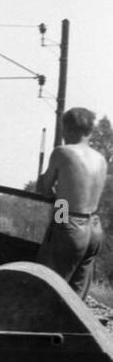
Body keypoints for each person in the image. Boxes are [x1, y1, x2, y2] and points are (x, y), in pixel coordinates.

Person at [36, 107, 107, 300]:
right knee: (76, 297)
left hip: (69, 221)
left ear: (67, 129)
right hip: (94, 226)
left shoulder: (62, 152)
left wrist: (44, 181)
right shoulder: (101, 159)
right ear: (89, 130)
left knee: (50, 287)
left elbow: (44, 190)